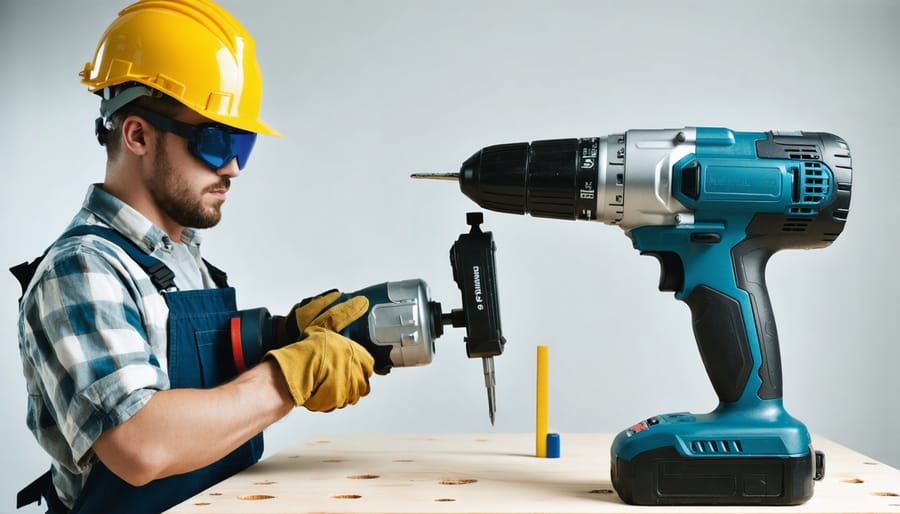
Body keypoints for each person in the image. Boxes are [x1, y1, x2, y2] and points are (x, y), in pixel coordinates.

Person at [13, 1, 375, 512]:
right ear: (137, 134)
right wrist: (286, 375)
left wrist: (277, 338)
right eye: (214, 140)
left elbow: (189, 386)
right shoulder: (82, 267)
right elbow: (139, 443)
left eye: (242, 143)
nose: (232, 167)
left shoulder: (183, 258)